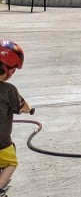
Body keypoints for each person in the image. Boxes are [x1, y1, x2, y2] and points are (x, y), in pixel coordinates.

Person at [0, 40, 33, 196]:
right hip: (1, 143)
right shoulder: (8, 90)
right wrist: (30, 109)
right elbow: (23, 106)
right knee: (11, 163)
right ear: (8, 71)